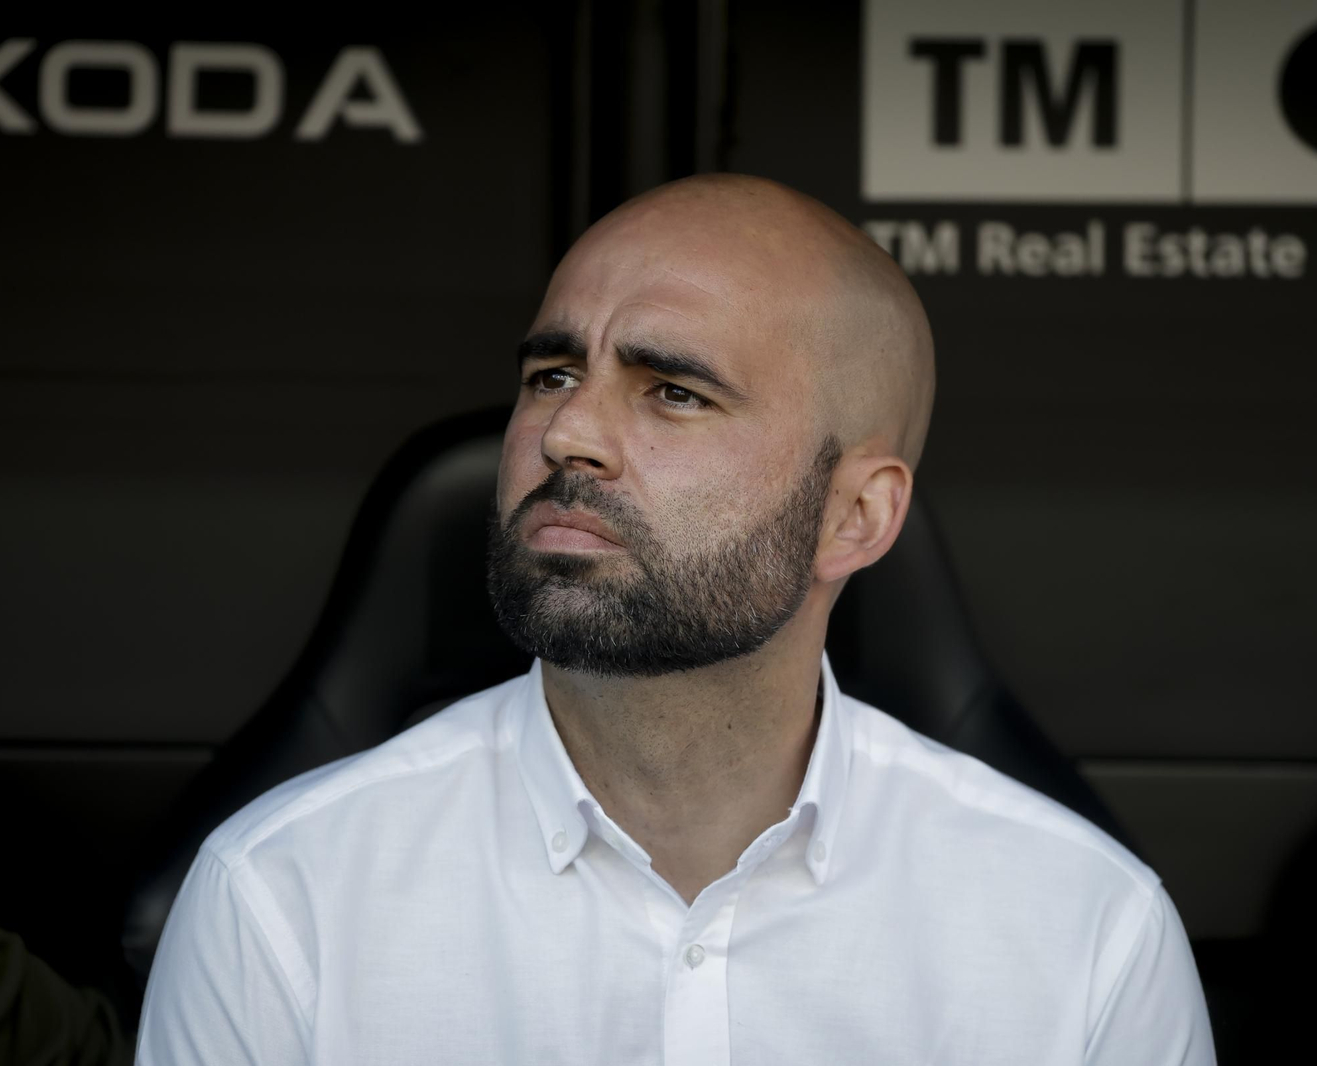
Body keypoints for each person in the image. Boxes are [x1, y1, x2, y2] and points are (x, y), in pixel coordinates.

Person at [134, 174, 1215, 1064]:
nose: (567, 432)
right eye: (552, 372)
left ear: (856, 514)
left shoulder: (1083, 932)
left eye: (674, 392)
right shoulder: (283, 898)